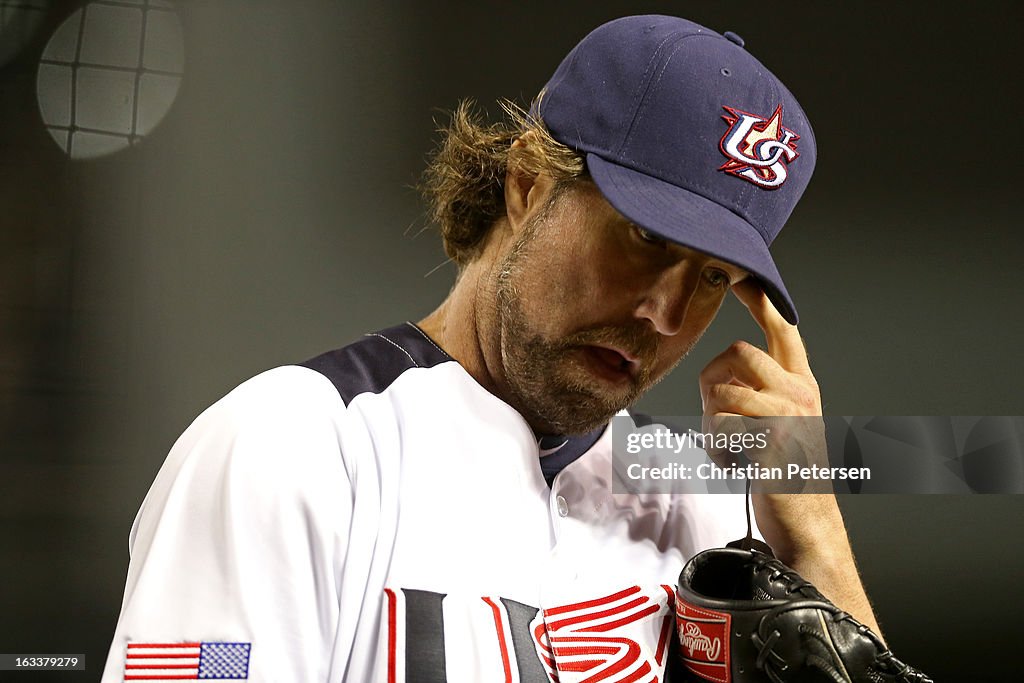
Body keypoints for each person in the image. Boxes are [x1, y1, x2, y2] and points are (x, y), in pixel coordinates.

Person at [102, 15, 879, 683]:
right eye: (644, 236)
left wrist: (816, 532)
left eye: (713, 275)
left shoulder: (704, 520)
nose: (665, 313)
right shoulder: (292, 451)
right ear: (528, 183)